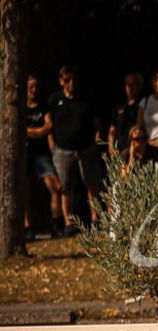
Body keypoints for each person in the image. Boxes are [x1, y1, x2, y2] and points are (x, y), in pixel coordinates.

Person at [48, 65, 103, 235]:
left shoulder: (86, 99)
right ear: (61, 81)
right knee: (66, 187)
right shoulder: (54, 100)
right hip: (63, 150)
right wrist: (53, 147)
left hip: (86, 148)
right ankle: (68, 224)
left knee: (92, 184)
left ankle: (95, 221)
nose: (71, 83)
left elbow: (97, 124)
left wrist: (96, 142)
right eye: (67, 80)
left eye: (74, 79)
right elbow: (49, 127)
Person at [24, 74, 62, 240]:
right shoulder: (21, 108)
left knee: (56, 187)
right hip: (24, 154)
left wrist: (31, 132)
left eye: (36, 86)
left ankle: (56, 225)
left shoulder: (44, 107)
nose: (34, 90)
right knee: (24, 191)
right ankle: (27, 228)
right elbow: (21, 131)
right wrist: (39, 131)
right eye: (31, 86)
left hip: (41, 154)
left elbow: (49, 127)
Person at [108, 71, 143, 156]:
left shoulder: (143, 104)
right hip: (119, 151)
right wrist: (111, 146)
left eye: (132, 85)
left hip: (135, 151)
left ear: (139, 86)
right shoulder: (120, 105)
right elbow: (112, 129)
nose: (130, 88)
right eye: (128, 85)